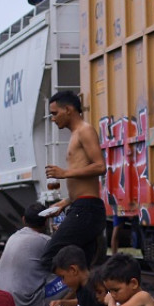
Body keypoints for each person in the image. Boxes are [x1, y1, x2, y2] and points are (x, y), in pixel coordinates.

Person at [40, 90, 107, 272]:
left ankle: (58, 301)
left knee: (50, 258)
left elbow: (100, 167)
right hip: (81, 206)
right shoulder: (75, 134)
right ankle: (85, 299)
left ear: (68, 109)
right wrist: (65, 202)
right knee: (80, 267)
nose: (53, 119)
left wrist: (65, 173)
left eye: (55, 113)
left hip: (87, 209)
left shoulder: (84, 131)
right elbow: (86, 182)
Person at [0, 203, 53, 306]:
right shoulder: (46, 242)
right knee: (72, 278)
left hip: (0, 305)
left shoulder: (13, 237)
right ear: (46, 221)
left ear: (24, 220)